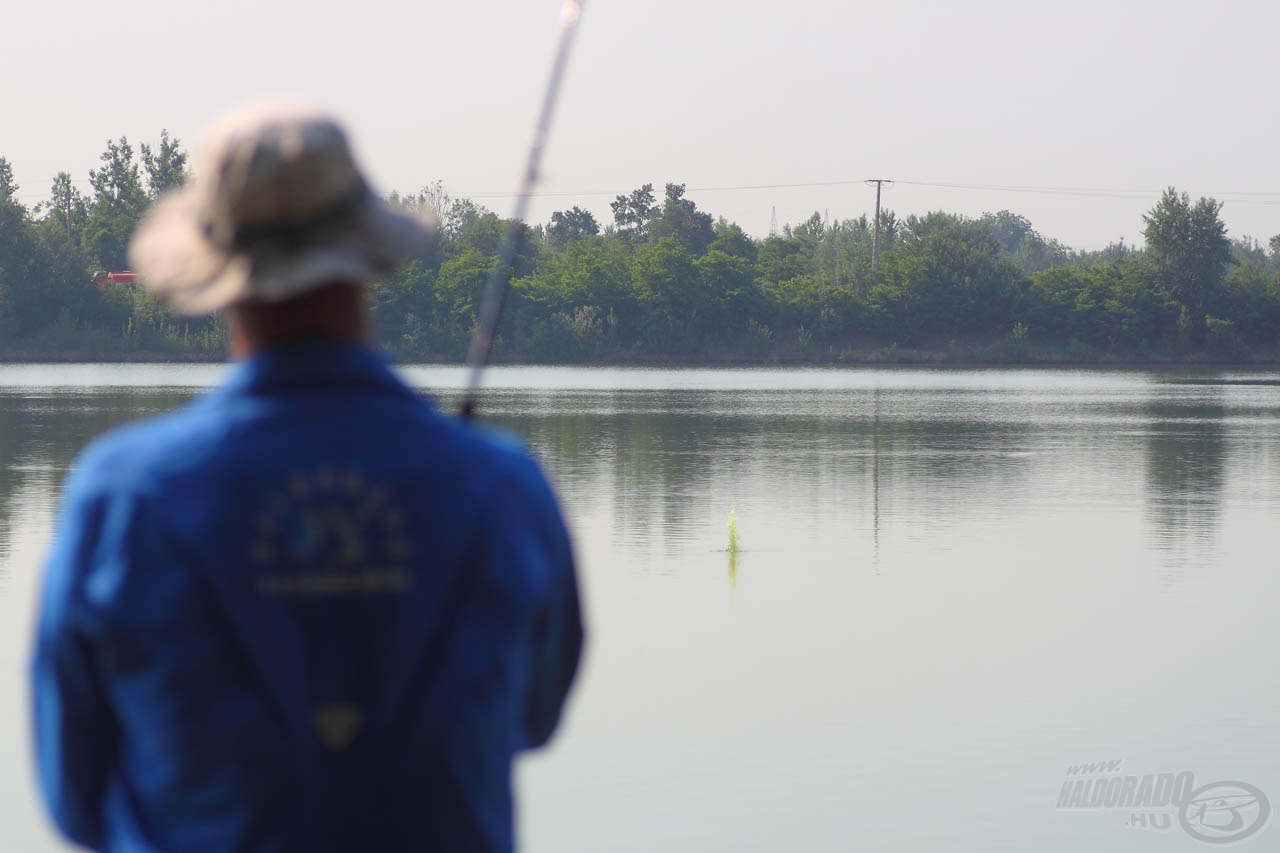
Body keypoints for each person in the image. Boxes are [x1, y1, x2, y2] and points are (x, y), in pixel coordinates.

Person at [31, 103, 583, 852]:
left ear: (216, 266)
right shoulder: (504, 486)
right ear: (363, 252)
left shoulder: (124, 497)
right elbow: (531, 718)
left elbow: (76, 796)